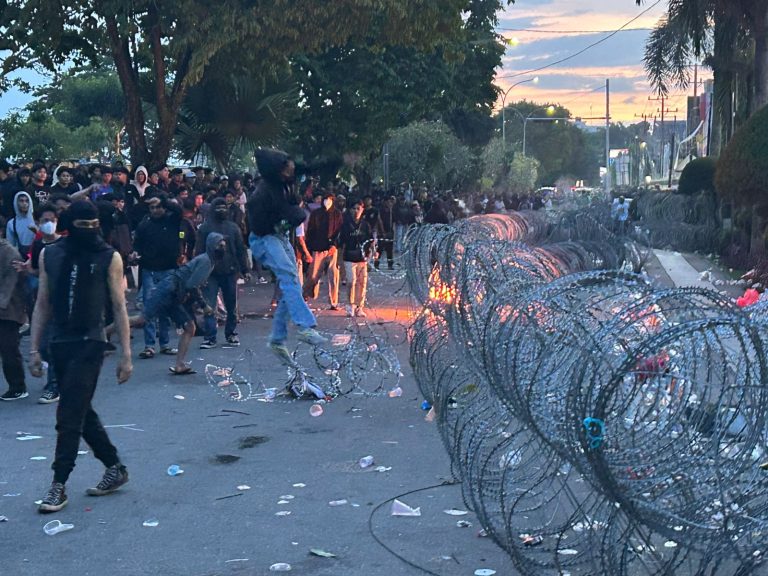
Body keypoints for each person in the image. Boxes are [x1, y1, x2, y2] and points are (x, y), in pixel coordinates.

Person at [29, 200, 132, 513]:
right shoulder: (51, 254)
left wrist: (126, 354)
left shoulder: (108, 257)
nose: (89, 230)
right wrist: (34, 348)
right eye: (82, 224)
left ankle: (59, 483)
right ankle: (115, 466)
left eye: (93, 224)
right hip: (60, 341)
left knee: (69, 415)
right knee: (80, 410)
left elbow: (118, 306)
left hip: (90, 342)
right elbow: (43, 302)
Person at [246, 148, 327, 366]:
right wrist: (297, 214)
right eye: (288, 171)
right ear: (277, 171)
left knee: (292, 282)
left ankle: (278, 337)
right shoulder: (264, 193)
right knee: (289, 275)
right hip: (264, 238)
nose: (292, 174)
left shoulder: (286, 176)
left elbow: (307, 167)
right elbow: (268, 222)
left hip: (278, 235)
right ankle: (304, 327)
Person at [139, 232, 224, 374]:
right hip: (169, 289)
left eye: (223, 245)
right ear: (211, 246)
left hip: (174, 291)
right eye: (219, 245)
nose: (222, 248)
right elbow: (191, 285)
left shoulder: (209, 261)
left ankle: (180, 365)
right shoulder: (206, 261)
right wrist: (204, 305)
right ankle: (104, 334)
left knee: (190, 327)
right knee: (142, 318)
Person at [196, 198, 249, 348]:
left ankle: (230, 333)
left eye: (223, 206)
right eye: (217, 207)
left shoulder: (233, 228)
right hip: (210, 272)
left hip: (229, 271)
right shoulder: (205, 228)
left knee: (231, 305)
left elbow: (240, 249)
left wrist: (244, 269)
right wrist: (199, 273)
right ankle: (211, 336)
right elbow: (199, 251)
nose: (221, 209)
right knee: (209, 306)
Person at [133, 195, 181, 359]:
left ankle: (165, 344)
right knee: (149, 307)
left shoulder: (172, 220)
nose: (155, 210)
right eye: (152, 208)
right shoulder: (144, 225)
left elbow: (178, 209)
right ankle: (149, 345)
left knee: (166, 307)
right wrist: (135, 254)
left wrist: (162, 199)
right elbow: (137, 245)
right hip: (149, 270)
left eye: (158, 207)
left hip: (169, 270)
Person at [303, 192, 343, 310]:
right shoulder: (316, 214)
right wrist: (310, 248)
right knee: (313, 275)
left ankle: (334, 302)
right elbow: (310, 231)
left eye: (329, 199)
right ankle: (305, 296)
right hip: (318, 248)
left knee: (333, 276)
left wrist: (334, 245)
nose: (327, 201)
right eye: (325, 199)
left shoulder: (337, 214)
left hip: (331, 249)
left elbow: (339, 231)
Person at [0, 236, 28, 400]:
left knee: (8, 349)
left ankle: (18, 386)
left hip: (10, 310)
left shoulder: (9, 252)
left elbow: (9, 286)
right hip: (6, 308)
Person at [339, 200, 372, 317]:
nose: (356, 211)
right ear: (351, 210)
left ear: (362, 210)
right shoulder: (346, 224)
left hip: (362, 257)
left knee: (362, 283)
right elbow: (341, 241)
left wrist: (371, 252)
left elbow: (371, 240)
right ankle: (350, 305)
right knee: (351, 281)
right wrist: (339, 261)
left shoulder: (365, 225)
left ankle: (360, 307)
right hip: (349, 256)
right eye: (354, 208)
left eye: (359, 208)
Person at [6, 191, 36, 258]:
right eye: (21, 201)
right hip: (20, 256)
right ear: (16, 203)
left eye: (27, 201)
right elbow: (11, 246)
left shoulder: (37, 220)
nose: (24, 203)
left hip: (36, 254)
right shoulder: (11, 223)